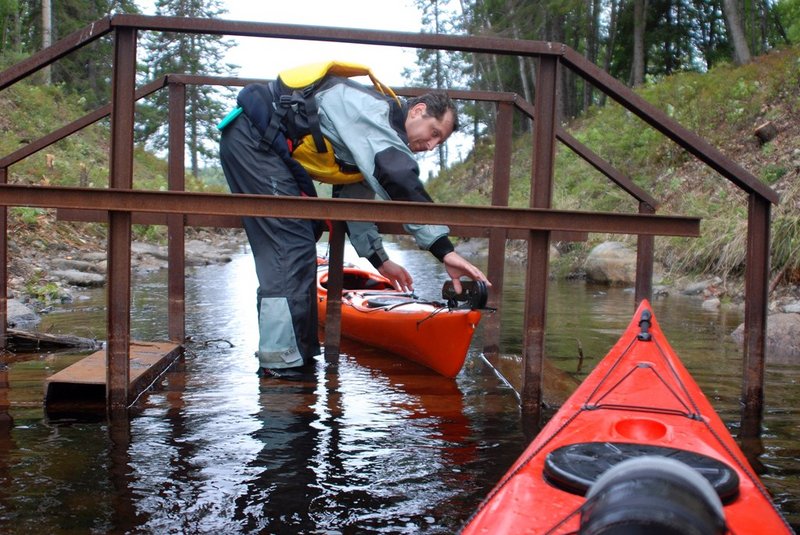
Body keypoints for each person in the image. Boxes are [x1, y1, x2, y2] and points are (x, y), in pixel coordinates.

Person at [219, 64, 489, 379]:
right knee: (287, 248)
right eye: (433, 133)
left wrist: (380, 261)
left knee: (301, 244)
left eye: (438, 143)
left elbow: (355, 202)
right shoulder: (372, 113)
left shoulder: (366, 141)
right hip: (254, 141)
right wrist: (443, 249)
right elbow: (397, 176)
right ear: (417, 111)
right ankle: (281, 367)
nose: (430, 146)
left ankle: (299, 358)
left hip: (269, 151)